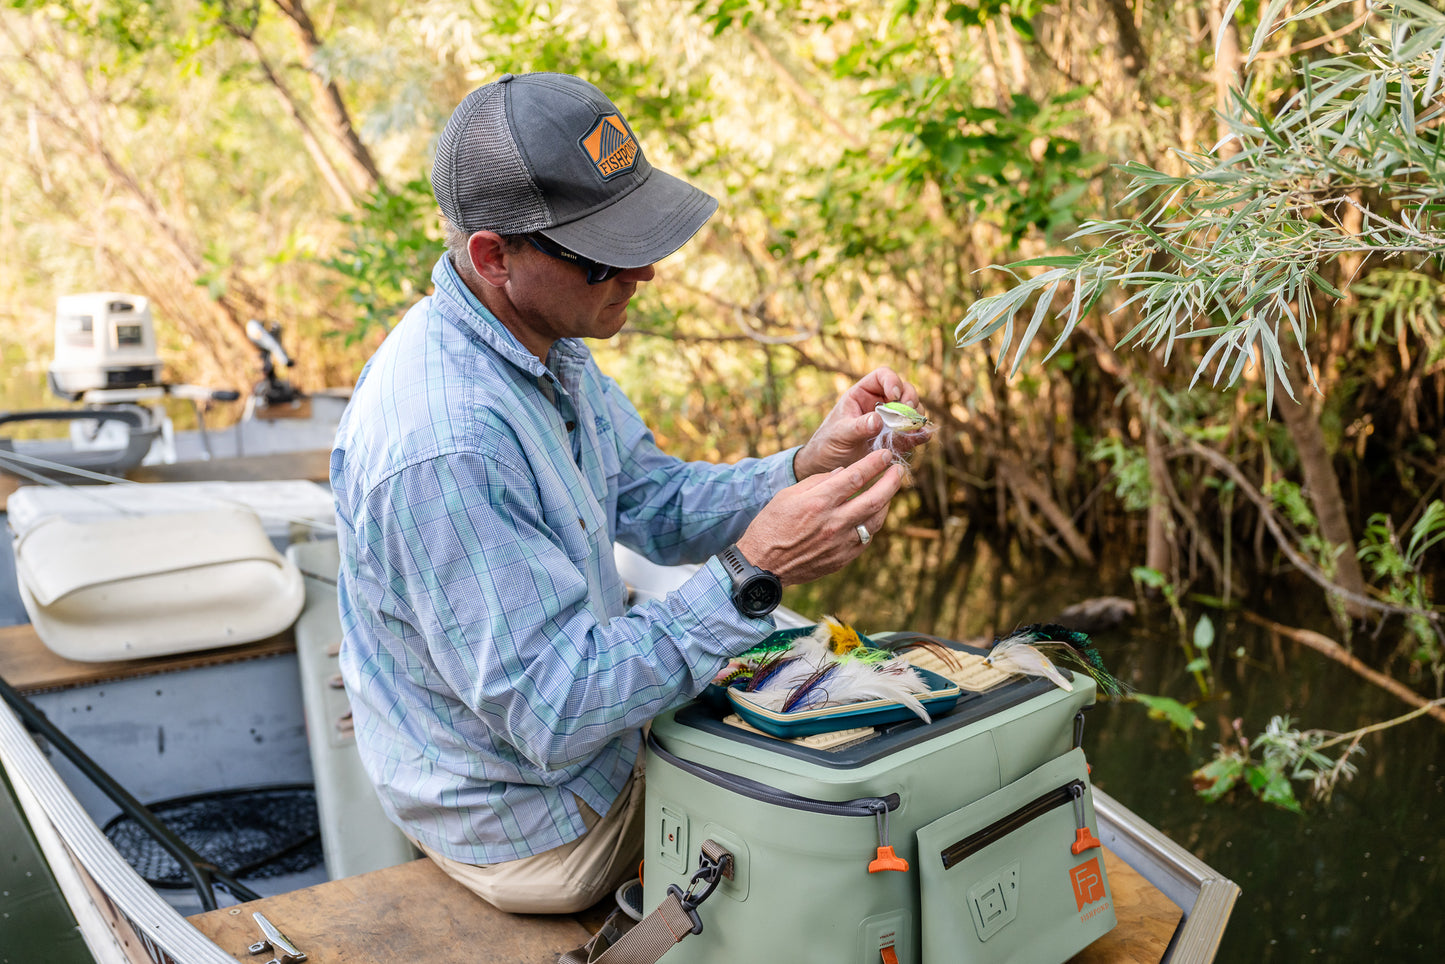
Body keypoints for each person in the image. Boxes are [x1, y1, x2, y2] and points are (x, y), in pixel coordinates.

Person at [331, 72, 930, 915]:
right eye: (603, 255)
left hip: (586, 748)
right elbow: (554, 712)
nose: (643, 270)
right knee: (878, 806)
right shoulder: (448, 443)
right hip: (539, 818)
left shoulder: (540, 338)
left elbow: (654, 501)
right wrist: (752, 573)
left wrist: (804, 463)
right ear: (495, 257)